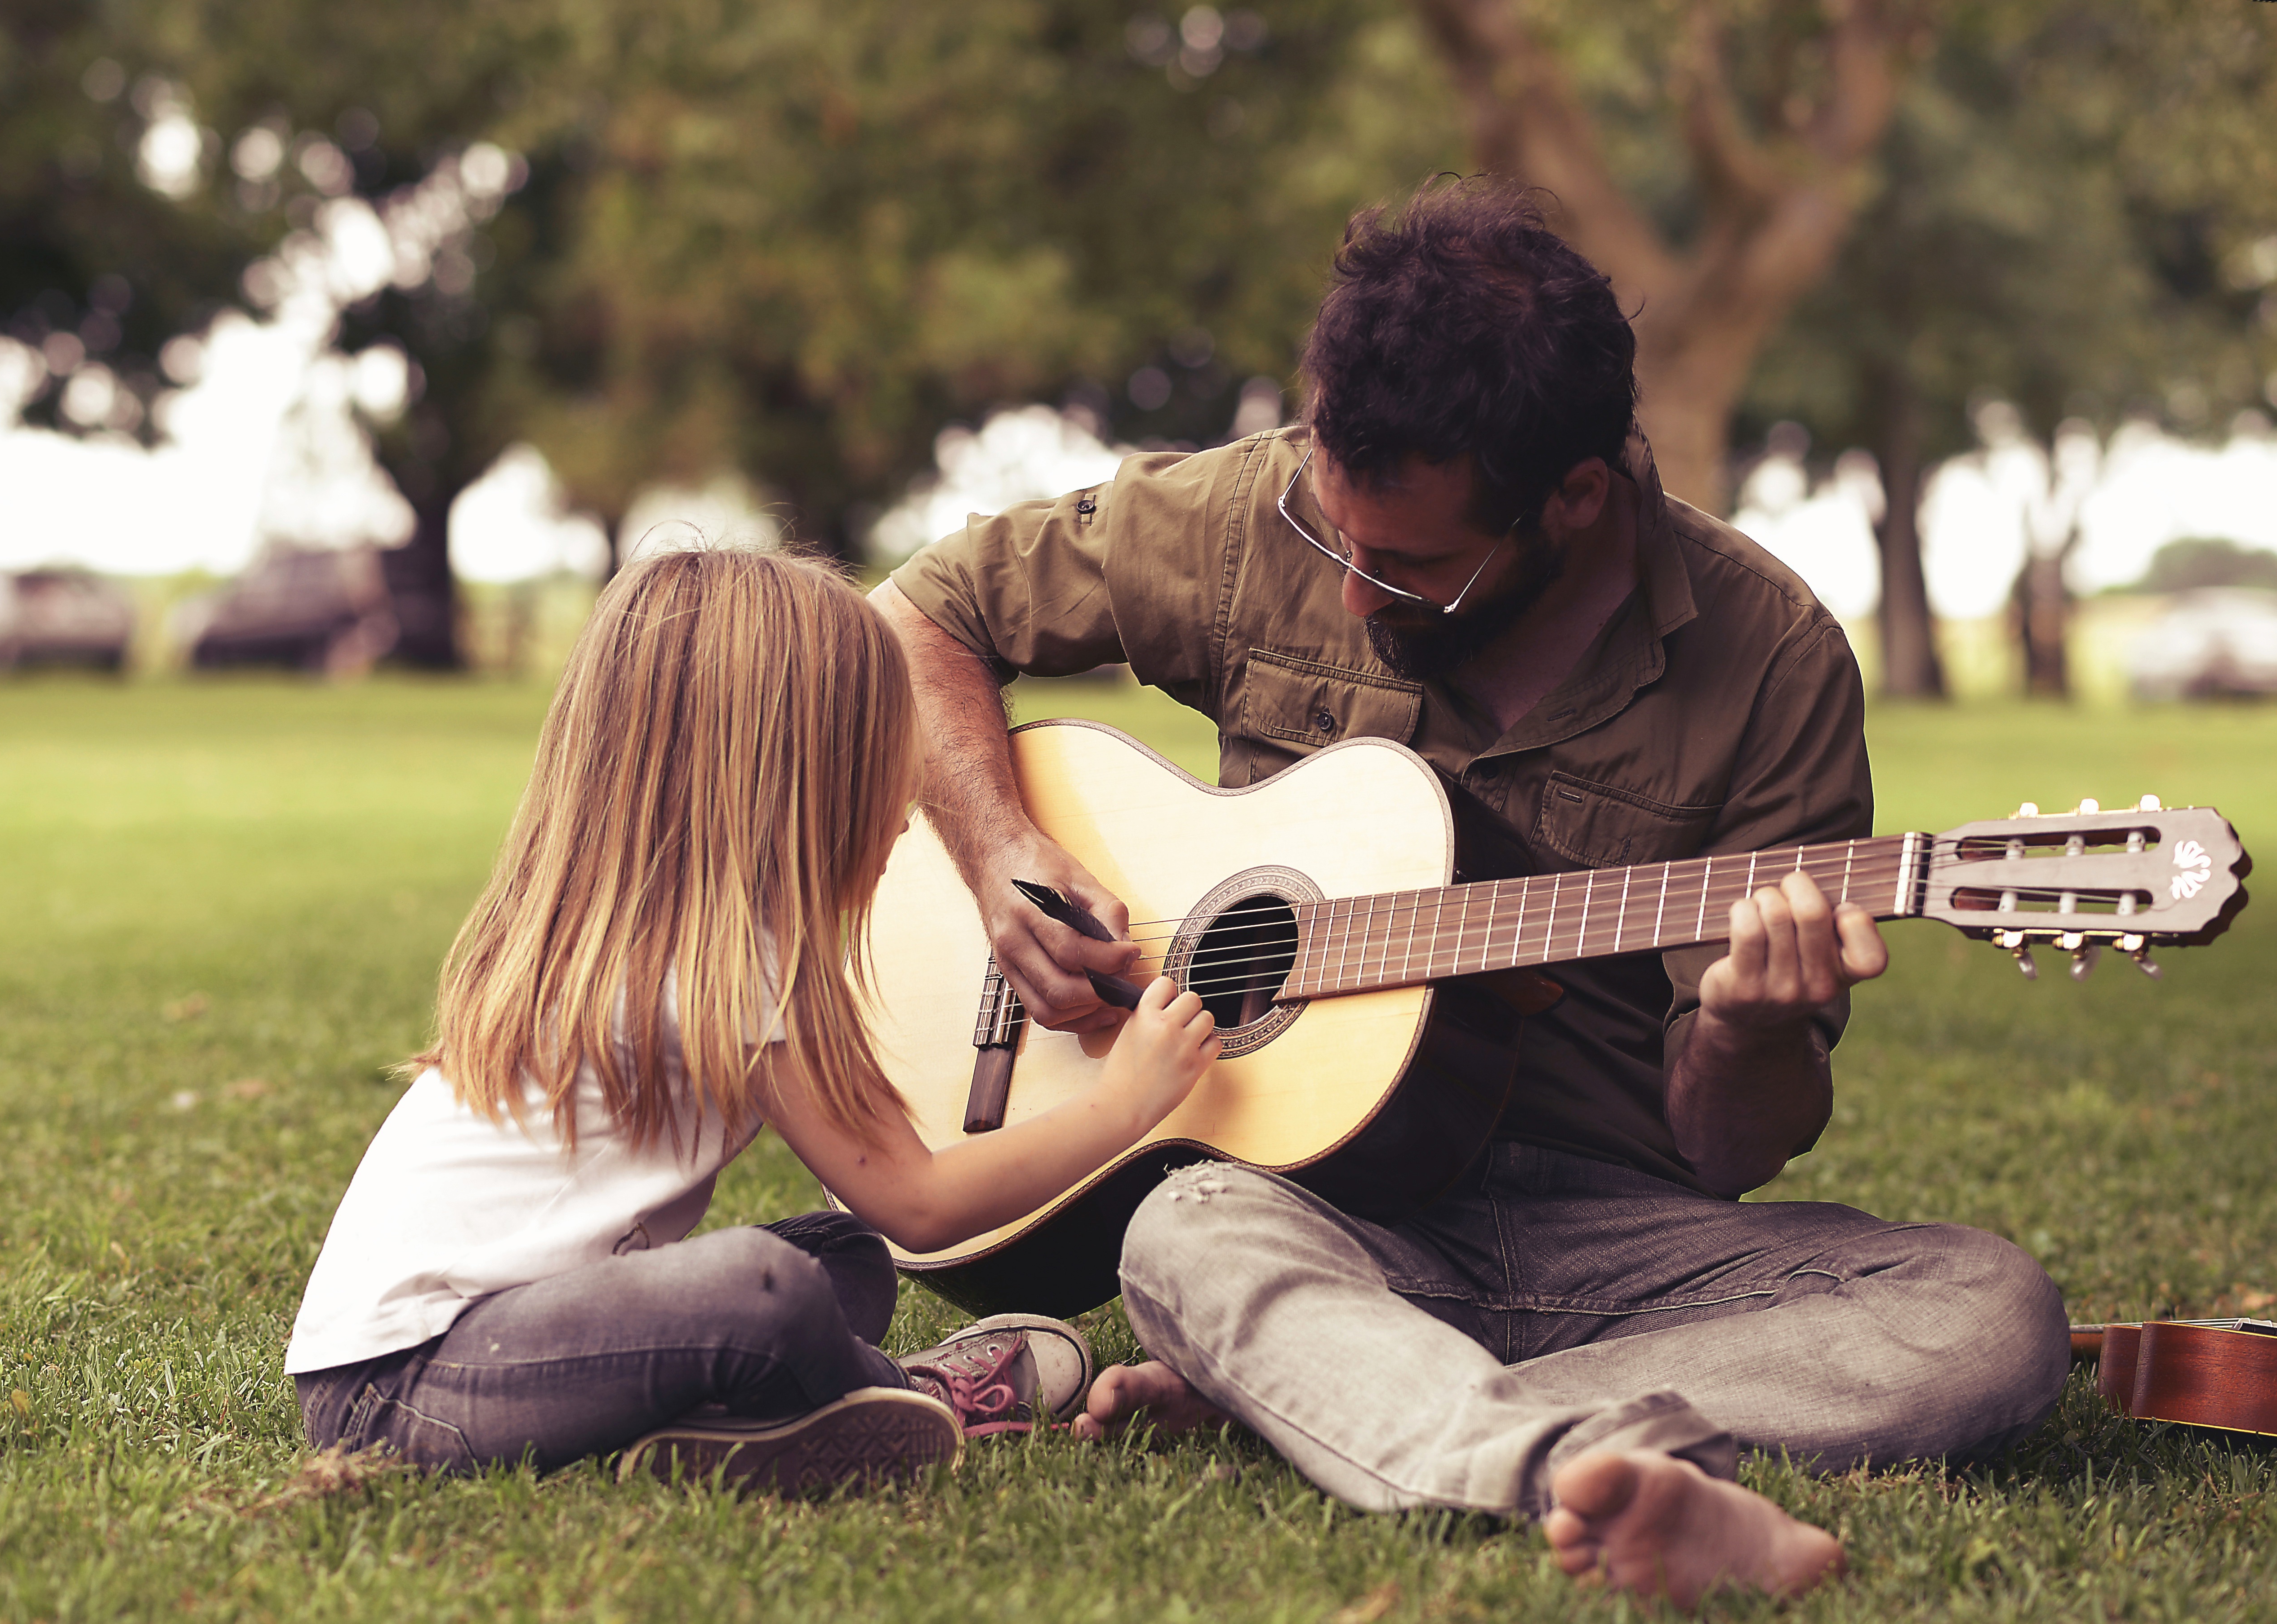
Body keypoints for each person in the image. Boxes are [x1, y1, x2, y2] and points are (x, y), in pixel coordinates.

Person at [871, 179, 2068, 1604]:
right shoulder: (1251, 517)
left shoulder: (1773, 662)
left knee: (1994, 1314)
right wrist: (1003, 843)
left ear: (1574, 496)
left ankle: (1341, 1392)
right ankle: (1528, 1451)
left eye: (1416, 570)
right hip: (1311, 1200)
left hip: (1610, 1228)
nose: (1360, 594)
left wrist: (1751, 1028)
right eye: (1337, 542)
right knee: (1181, 1229)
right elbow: (919, 611)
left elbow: (1734, 1148)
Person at [286, 547, 1222, 1494]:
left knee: (842, 1258)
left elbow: (878, 1217)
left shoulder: (638, 930)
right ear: (800, 774)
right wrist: (1122, 1104)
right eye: (882, 737)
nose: (908, 785)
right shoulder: (735, 964)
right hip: (408, 1388)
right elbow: (921, 1203)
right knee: (762, 1291)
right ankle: (917, 1401)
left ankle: (738, 1424)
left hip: (441, 1357)